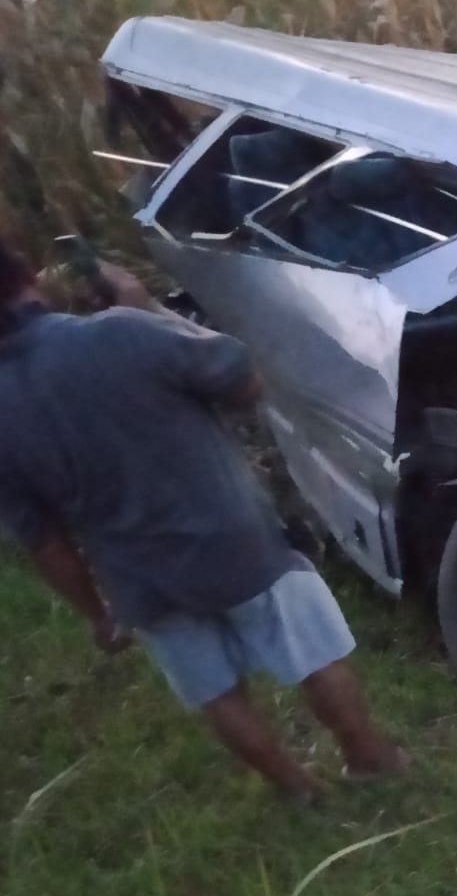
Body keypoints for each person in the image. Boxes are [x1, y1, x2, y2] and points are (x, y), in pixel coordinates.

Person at [0, 239, 407, 802]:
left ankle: (295, 788)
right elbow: (244, 381)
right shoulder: (119, 331)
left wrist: (98, 614)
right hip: (235, 539)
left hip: (139, 579)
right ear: (26, 277)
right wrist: (145, 305)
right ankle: (369, 759)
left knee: (217, 692)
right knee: (313, 653)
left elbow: (42, 540)